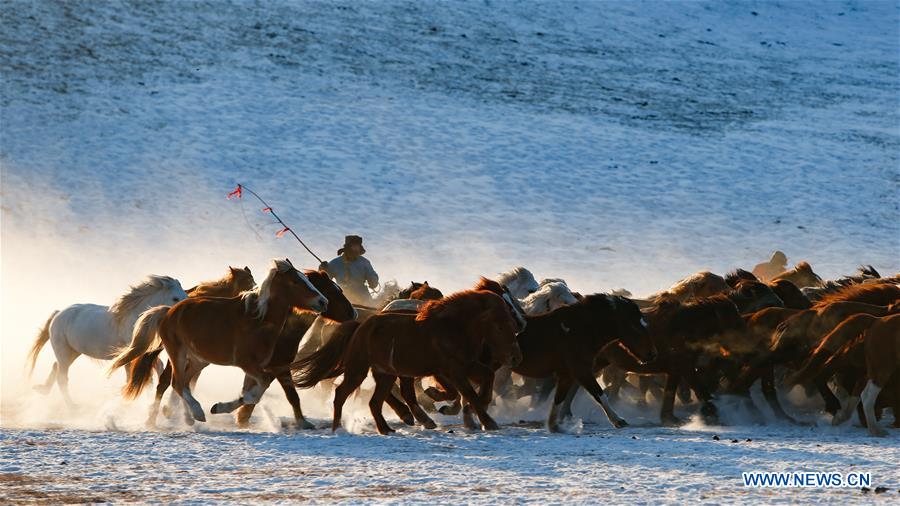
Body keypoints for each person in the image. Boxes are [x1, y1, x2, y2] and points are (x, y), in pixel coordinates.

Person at [319, 235, 379, 305]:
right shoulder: (335, 263)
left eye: (358, 246)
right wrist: (322, 269)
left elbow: (373, 281)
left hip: (364, 299)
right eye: (354, 246)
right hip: (343, 299)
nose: (356, 249)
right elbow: (324, 280)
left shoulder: (364, 262)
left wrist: (373, 280)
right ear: (348, 247)